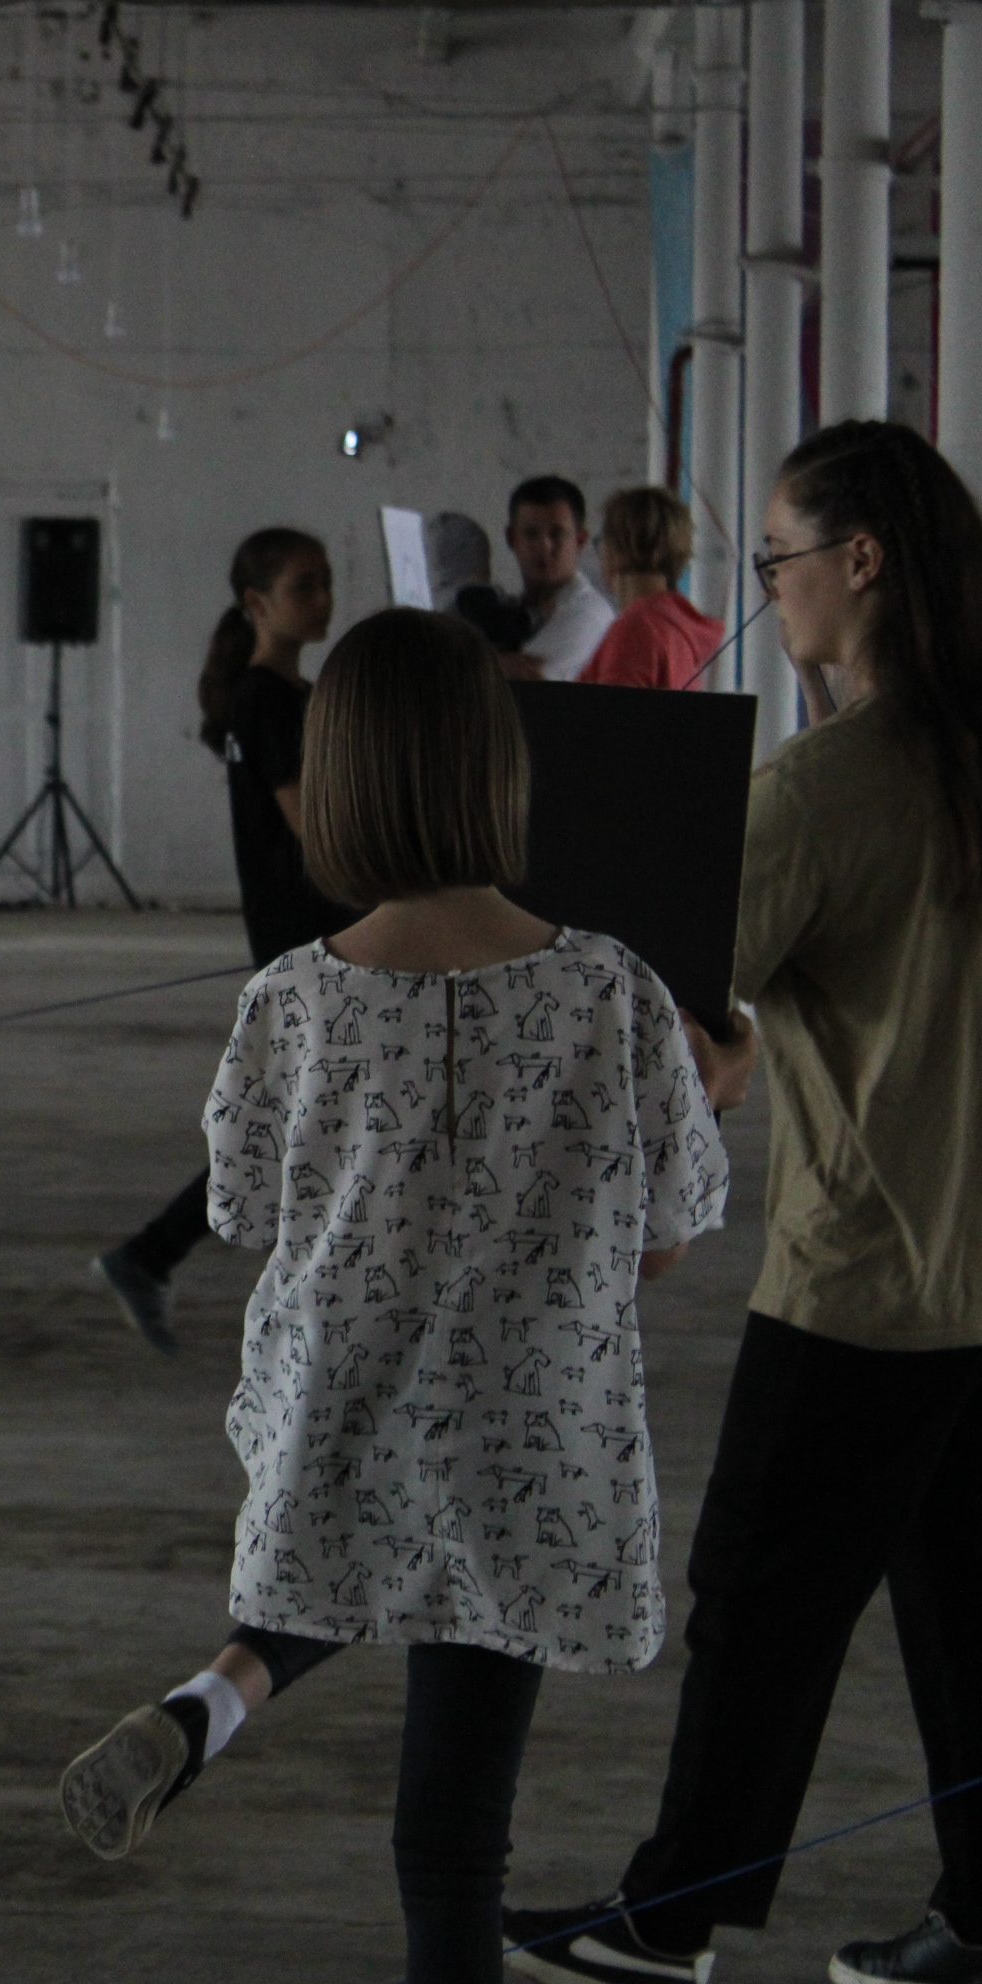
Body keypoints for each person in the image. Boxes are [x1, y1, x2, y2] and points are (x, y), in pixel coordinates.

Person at [56, 607, 731, 1984]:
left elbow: (244, 1213)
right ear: (502, 769)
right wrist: (726, 1078)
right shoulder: (613, 990)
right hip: (529, 1444)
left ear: (340, 783)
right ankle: (221, 1711)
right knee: (454, 1844)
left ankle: (210, 1700)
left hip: (346, 1406)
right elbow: (664, 1240)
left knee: (347, 1564)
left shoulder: (291, 1001)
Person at [504, 422, 982, 1984]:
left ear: (862, 562)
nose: (769, 587)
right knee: (964, 1612)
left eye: (779, 556)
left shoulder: (827, 786)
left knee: (761, 1607)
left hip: (868, 1279)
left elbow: (663, 1010)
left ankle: (669, 1921)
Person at [94, 528, 352, 1353]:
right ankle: (164, 1257)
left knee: (298, 1124)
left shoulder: (291, 694)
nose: (322, 599)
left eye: (326, 582)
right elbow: (315, 828)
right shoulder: (267, 699)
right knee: (306, 1125)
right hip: (308, 942)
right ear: (257, 603)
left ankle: (153, 1255)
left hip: (312, 937)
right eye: (304, 586)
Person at [578, 485, 726, 692]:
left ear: (619, 547)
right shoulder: (675, 627)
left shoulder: (635, 629)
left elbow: (613, 711)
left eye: (601, 542)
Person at [508, 475, 617, 682]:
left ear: (580, 540)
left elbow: (522, 680)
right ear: (512, 539)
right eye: (531, 534)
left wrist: (493, 663)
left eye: (557, 534)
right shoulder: (514, 609)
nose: (544, 546)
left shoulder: (586, 614)